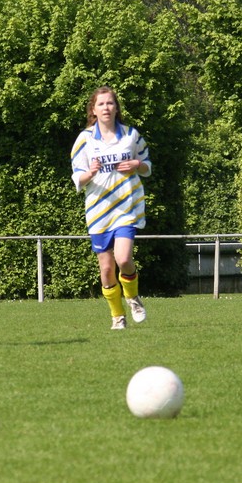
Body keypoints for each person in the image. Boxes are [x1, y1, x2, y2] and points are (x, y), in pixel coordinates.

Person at [70, 86, 151, 330]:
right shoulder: (85, 139)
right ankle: (117, 316)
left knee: (123, 258)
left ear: (116, 108)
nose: (106, 107)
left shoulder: (131, 135)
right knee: (106, 269)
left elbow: (147, 166)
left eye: (110, 103)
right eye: (101, 104)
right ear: (93, 110)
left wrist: (136, 164)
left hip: (126, 208)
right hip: (98, 211)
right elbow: (78, 178)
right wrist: (91, 172)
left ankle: (132, 297)